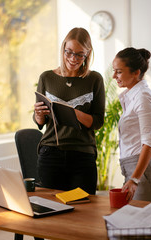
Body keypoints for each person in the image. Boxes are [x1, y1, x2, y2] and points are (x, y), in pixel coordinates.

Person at [33, 27, 105, 195]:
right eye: (69, 52)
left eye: (80, 54)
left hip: (82, 155)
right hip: (50, 152)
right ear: (63, 49)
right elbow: (40, 123)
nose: (73, 58)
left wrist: (72, 112)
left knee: (83, 211)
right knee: (50, 209)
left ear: (88, 54)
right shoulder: (46, 78)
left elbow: (98, 122)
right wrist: (38, 115)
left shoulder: (94, 79)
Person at [112, 47, 151, 203]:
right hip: (134, 175)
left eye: (119, 71)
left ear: (136, 72)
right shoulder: (132, 96)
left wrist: (135, 179)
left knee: (142, 226)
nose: (113, 76)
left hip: (144, 177)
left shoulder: (143, 97)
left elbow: (149, 143)